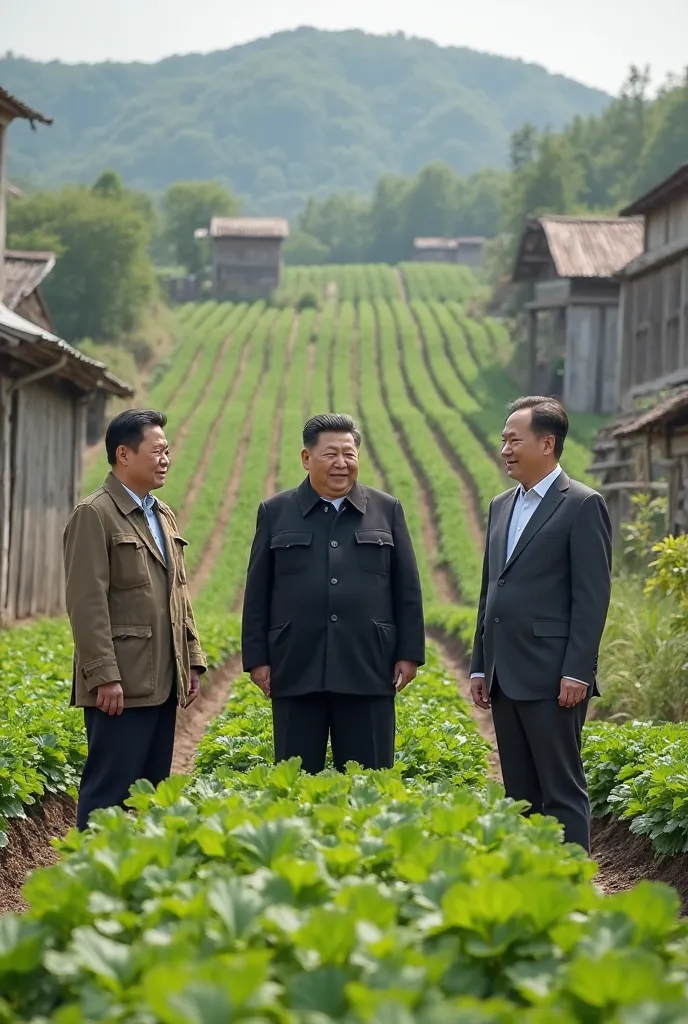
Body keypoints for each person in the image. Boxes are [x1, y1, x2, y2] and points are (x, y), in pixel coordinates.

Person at [241, 412, 425, 774]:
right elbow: (258, 591)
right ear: (307, 458)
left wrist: (409, 653)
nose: (341, 464)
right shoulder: (276, 511)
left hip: (368, 666)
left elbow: (407, 588)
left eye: (349, 454)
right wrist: (257, 658)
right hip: (296, 665)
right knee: (294, 782)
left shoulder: (386, 509)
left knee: (368, 782)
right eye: (330, 455)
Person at [469, 396, 612, 852]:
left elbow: (591, 598)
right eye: (503, 441)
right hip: (504, 674)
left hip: (553, 676)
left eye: (515, 440)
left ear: (547, 443)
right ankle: (531, 882)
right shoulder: (501, 505)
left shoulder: (582, 505)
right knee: (520, 795)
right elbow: (490, 589)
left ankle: (571, 885)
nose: (505, 449)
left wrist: (577, 670)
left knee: (561, 789)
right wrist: (478, 664)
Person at [63, 409, 207, 830]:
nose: (166, 458)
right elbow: (86, 603)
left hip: (162, 682)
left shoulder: (162, 514)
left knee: (150, 793)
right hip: (120, 685)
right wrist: (103, 675)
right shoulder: (95, 513)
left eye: (167, 451)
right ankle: (92, 881)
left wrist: (192, 660)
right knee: (108, 794)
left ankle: (138, 883)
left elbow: (179, 592)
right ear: (123, 454)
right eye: (157, 450)